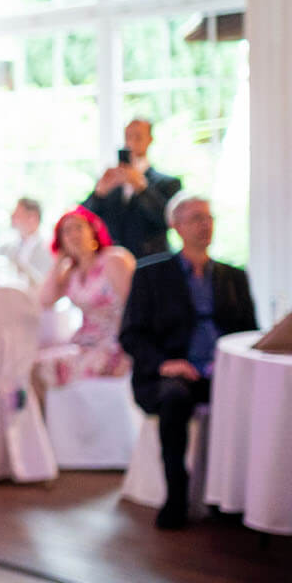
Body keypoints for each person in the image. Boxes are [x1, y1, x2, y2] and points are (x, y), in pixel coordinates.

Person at [120, 194, 258, 530]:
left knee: (259, 399)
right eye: (196, 218)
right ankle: (177, 494)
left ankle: (238, 497)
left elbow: (249, 332)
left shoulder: (233, 276)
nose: (204, 225)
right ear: (176, 226)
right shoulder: (151, 275)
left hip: (220, 372)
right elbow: (131, 334)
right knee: (174, 397)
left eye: (209, 218)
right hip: (170, 372)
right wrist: (167, 364)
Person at [36, 207, 134, 387]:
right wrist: (59, 260)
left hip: (115, 341)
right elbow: (45, 300)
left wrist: (127, 353)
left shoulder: (113, 260)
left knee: (82, 369)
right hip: (85, 342)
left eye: (78, 228)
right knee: (37, 367)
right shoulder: (69, 273)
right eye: (66, 231)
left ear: (93, 230)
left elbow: (134, 307)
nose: (74, 235)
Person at [82, 119, 182, 260]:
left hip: (151, 262)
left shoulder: (167, 183)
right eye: (128, 136)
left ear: (150, 139)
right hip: (114, 262)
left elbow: (168, 219)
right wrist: (98, 194)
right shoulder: (110, 184)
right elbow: (83, 219)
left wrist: (142, 188)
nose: (132, 142)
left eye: (138, 136)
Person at [0, 197, 54, 288]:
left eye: (17, 213)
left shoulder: (49, 249)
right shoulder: (6, 248)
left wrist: (23, 268)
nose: (12, 216)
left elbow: (46, 284)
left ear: (32, 217)